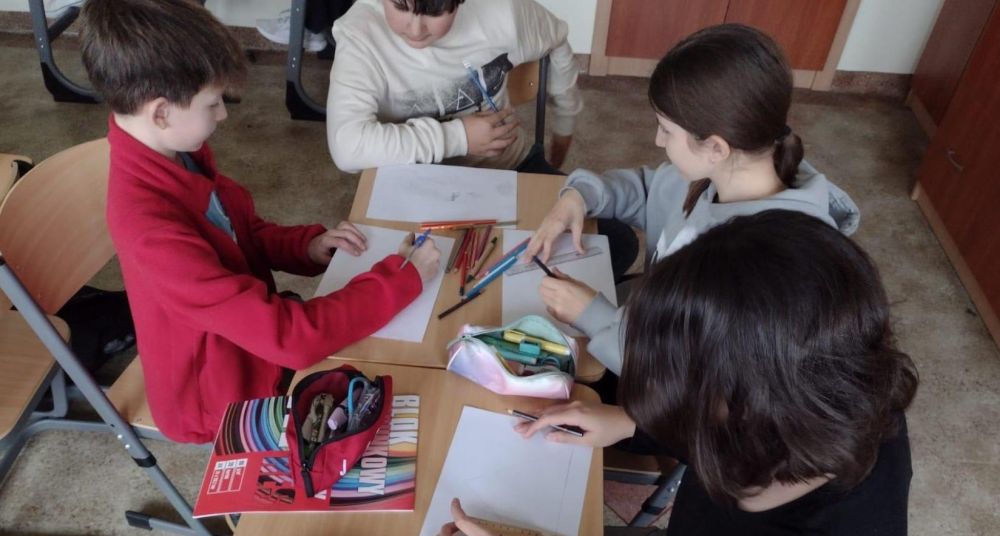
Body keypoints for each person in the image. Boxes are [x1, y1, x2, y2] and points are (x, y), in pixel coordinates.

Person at [424, 211, 918, 536]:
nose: (673, 419)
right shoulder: (847, 399)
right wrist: (630, 424)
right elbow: (731, 420)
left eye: (683, 409)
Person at [80, 0, 440, 444]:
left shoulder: (173, 152)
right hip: (223, 398)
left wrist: (305, 246)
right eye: (213, 103)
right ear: (161, 112)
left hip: (247, 345)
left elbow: (238, 232)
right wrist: (401, 281)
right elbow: (290, 338)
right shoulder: (150, 229)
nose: (223, 114)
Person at [525, 24, 860, 375]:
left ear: (716, 147)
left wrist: (591, 315)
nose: (657, 141)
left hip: (649, 367)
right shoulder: (722, 173)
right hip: (639, 320)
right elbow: (648, 191)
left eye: (666, 130)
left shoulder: (756, 276)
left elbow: (679, 374)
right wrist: (579, 196)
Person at [326, 0, 639, 279]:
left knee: (615, 242)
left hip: (510, 169)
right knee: (384, 285)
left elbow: (556, 37)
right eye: (400, 6)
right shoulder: (361, 30)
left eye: (435, 10)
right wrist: (459, 136)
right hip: (412, 184)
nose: (416, 29)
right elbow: (347, 148)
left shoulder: (502, 12)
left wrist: (565, 121)